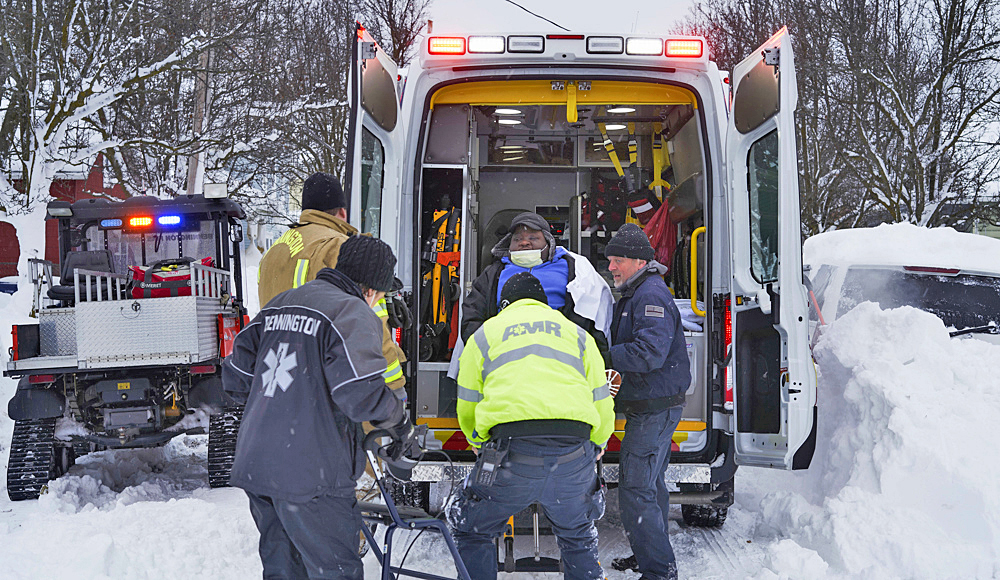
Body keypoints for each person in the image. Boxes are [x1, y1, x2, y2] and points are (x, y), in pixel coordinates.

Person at [222, 236, 419, 580]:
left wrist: (282, 404)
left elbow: (236, 376)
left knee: (283, 571)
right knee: (335, 571)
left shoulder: (280, 304)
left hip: (258, 465)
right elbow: (360, 395)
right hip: (311, 475)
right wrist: (399, 422)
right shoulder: (350, 311)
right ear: (372, 289)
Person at [451, 272, 615, 580]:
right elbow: (601, 399)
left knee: (473, 529)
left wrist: (476, 439)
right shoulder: (579, 334)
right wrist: (599, 442)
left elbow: (468, 399)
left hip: (511, 453)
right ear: (543, 303)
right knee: (578, 535)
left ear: (504, 305)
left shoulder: (486, 334)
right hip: (573, 452)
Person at [257, 171, 406, 399]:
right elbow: (370, 322)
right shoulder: (337, 246)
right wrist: (394, 386)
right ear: (342, 212)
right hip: (327, 384)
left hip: (279, 377)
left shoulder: (274, 250)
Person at [604, 223, 691, 580]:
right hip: (650, 405)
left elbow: (649, 352)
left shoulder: (650, 295)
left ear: (640, 261)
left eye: (618, 260)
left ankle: (659, 571)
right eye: (610, 259)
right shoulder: (636, 292)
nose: (611, 267)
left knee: (636, 489)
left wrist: (603, 355)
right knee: (651, 486)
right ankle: (648, 556)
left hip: (655, 408)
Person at [460, 211, 613, 361]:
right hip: (504, 357)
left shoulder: (574, 269)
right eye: (517, 239)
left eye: (533, 238)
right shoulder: (493, 274)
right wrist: (490, 352)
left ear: (548, 243)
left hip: (561, 355)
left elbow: (592, 316)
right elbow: (472, 318)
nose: (524, 242)